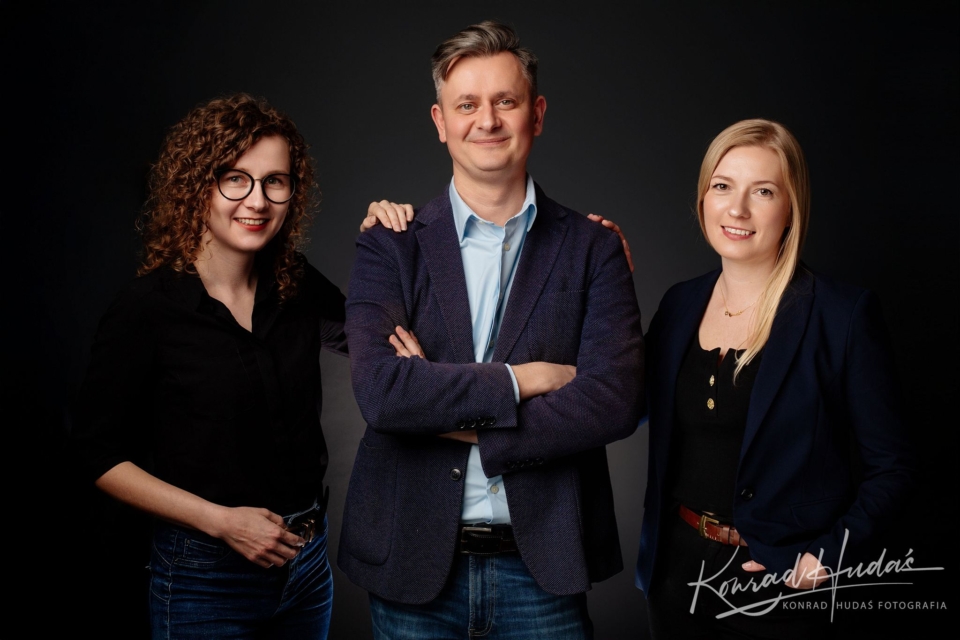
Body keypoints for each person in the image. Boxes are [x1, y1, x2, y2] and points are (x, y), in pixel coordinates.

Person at [339, 20, 644, 640]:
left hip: (543, 570)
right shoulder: (390, 245)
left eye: (505, 101)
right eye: (467, 105)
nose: (487, 120)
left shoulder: (594, 248)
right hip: (413, 566)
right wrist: (524, 381)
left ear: (537, 113)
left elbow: (614, 401)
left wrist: (446, 413)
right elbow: (383, 394)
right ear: (439, 121)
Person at [71, 93, 398, 639]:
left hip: (306, 567)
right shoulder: (146, 309)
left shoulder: (294, 282)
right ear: (198, 185)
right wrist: (220, 521)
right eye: (235, 180)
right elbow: (97, 455)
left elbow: (384, 341)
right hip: (205, 577)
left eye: (275, 181)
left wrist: (389, 244)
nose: (257, 200)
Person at [636, 119, 915, 638]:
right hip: (675, 578)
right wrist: (602, 275)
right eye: (723, 186)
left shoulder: (842, 315)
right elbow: (624, 406)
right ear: (703, 198)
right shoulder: (679, 304)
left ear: (791, 207)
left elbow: (892, 468)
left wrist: (826, 558)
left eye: (762, 191)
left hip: (781, 589)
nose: (737, 209)